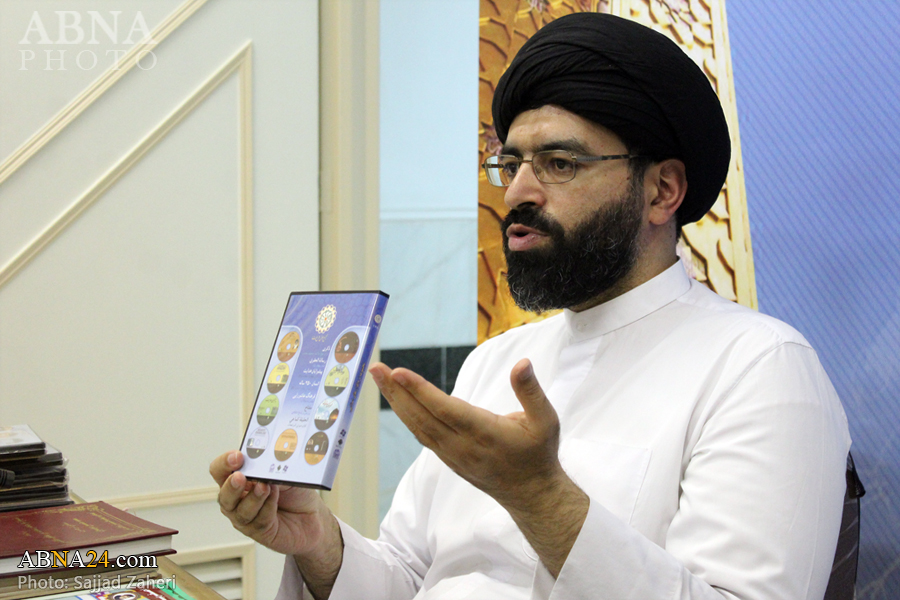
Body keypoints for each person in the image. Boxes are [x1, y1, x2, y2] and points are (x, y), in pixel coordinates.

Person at [210, 13, 850, 600]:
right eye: (510, 163)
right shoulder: (496, 361)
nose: (517, 191)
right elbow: (410, 576)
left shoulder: (760, 368)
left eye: (559, 163)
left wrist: (542, 499)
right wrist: (318, 544)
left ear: (662, 190)